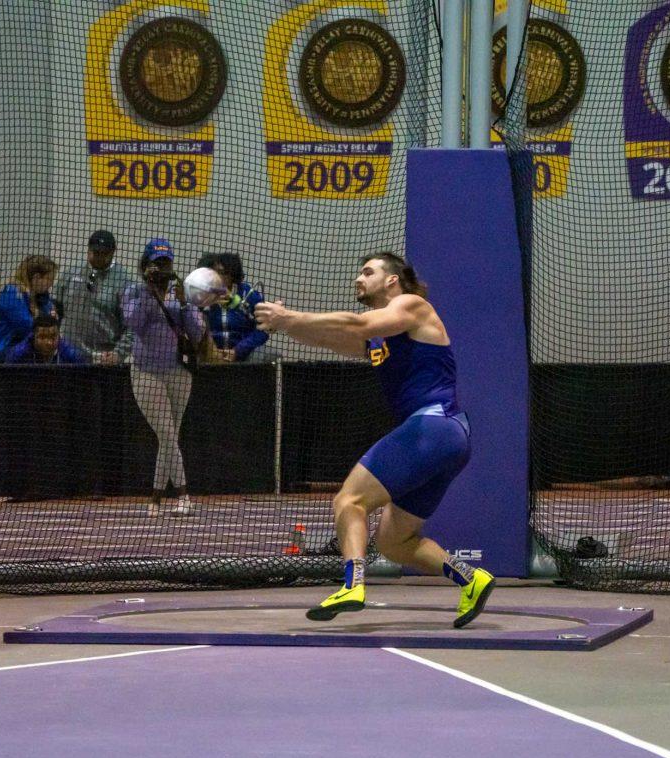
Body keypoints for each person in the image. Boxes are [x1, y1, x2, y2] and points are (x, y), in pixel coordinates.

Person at [255, 251, 495, 627]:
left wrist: (292, 317)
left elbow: (356, 324)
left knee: (349, 500)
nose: (358, 279)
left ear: (392, 280)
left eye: (367, 272)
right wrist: (284, 325)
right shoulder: (382, 337)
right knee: (393, 543)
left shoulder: (412, 305)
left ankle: (353, 585)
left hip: (433, 427)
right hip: (450, 439)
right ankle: (471, 577)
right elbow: (331, 337)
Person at [121, 238, 206, 516]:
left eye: (166, 263)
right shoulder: (134, 291)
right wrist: (149, 292)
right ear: (145, 266)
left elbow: (196, 331)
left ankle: (155, 498)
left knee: (170, 435)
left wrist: (184, 304)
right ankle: (183, 495)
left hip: (179, 372)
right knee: (167, 433)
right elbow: (134, 323)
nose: (162, 268)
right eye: (156, 263)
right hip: (147, 372)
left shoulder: (181, 292)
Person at [54, 230, 135, 365]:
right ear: (88, 250)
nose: (99, 257)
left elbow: (132, 328)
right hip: (68, 355)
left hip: (103, 359)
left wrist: (118, 354)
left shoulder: (125, 284)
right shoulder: (70, 274)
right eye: (95, 252)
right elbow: (56, 308)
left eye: (104, 254)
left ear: (113, 252)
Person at [0, 255, 58, 364]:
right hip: (2, 354)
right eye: (49, 279)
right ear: (36, 278)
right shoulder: (11, 293)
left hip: (28, 355)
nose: (51, 284)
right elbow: (26, 326)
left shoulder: (41, 299)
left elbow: (50, 322)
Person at [203, 252, 271, 363]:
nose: (217, 277)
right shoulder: (204, 293)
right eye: (214, 272)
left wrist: (238, 350)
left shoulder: (248, 294)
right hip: (212, 355)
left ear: (232, 275)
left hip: (243, 356)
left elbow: (263, 330)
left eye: (222, 273)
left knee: (264, 354)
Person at [5, 314, 88, 364]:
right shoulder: (18, 355)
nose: (49, 342)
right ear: (33, 336)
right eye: (42, 337)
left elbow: (83, 363)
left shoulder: (68, 353)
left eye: (53, 336)